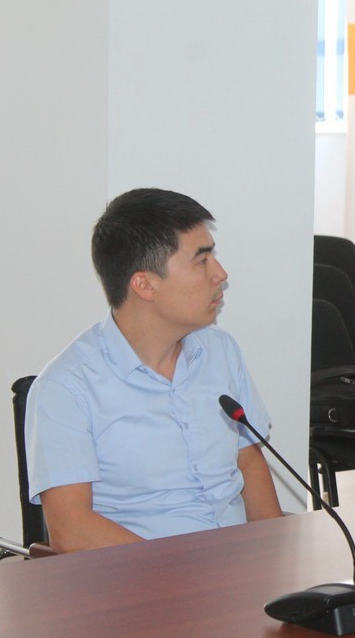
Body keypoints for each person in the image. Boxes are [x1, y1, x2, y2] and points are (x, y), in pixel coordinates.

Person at [26, 188, 282, 552]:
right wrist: (180, 572)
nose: (220, 274)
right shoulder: (66, 387)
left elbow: (249, 461)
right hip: (140, 577)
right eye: (202, 261)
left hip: (237, 565)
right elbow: (71, 529)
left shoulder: (221, 351)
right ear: (145, 284)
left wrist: (275, 554)